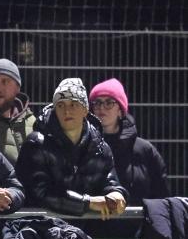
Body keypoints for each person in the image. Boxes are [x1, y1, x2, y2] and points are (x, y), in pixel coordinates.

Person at [15, 77, 128, 217]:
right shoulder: (36, 143)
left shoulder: (101, 147)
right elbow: (40, 193)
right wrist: (88, 203)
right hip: (41, 228)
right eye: (61, 105)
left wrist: (117, 194)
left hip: (86, 230)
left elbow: (110, 180)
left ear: (86, 110)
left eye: (74, 104)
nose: (67, 111)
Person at [88, 78, 170, 205]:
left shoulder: (144, 149)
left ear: (120, 110)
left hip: (137, 222)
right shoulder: (84, 145)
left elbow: (161, 194)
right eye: (97, 103)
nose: (101, 108)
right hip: (93, 222)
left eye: (109, 102)